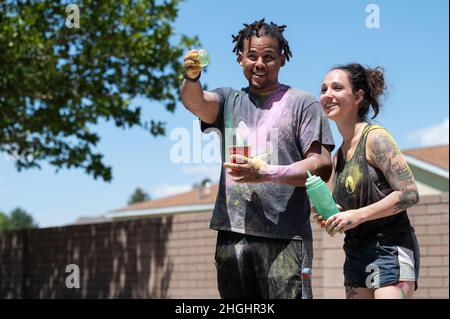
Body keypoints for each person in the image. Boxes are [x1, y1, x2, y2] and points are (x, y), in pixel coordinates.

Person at [180, 18, 335, 299]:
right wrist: (191, 77)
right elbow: (196, 102)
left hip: (285, 236)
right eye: (252, 56)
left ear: (282, 59)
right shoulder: (229, 99)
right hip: (232, 233)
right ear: (240, 58)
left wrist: (268, 173)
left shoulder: (303, 103)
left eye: (268, 57)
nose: (259, 63)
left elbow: (322, 165)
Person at [315, 63, 420, 299]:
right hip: (355, 254)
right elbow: (349, 212)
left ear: (358, 97)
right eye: (323, 89)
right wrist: (334, 216)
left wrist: (358, 215)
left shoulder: (375, 139)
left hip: (389, 249)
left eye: (337, 87)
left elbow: (410, 193)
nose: (327, 94)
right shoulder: (336, 158)